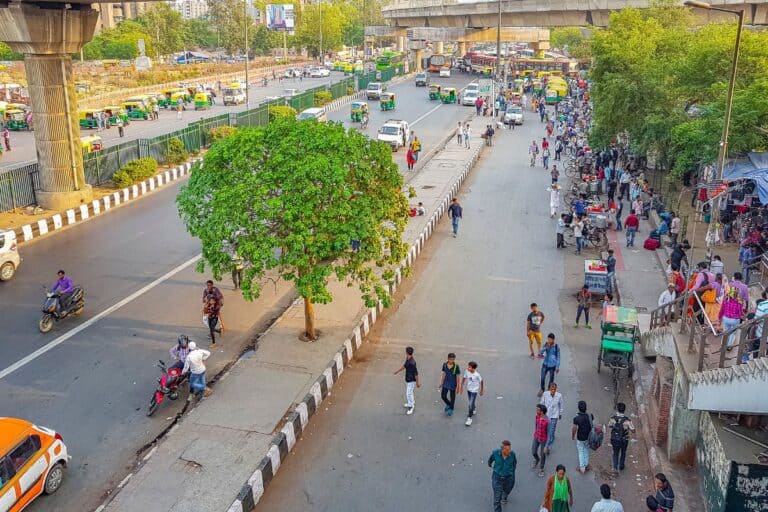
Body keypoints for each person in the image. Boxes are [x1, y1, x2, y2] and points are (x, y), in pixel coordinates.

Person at [488, 440, 517, 512]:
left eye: (510, 449)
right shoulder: (495, 453)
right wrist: (490, 464)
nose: (509, 451)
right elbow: (490, 460)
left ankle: (504, 495)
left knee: (508, 489)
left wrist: (512, 473)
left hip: (509, 477)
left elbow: (514, 464)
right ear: (502, 449)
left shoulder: (512, 454)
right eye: (507, 449)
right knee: (497, 499)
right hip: (497, 478)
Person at [608, 402, 635, 472]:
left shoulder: (613, 418)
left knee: (615, 453)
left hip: (615, 439)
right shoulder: (627, 420)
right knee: (623, 452)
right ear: (624, 410)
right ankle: (621, 466)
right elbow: (633, 430)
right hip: (624, 440)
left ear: (617, 409)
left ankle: (615, 467)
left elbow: (609, 425)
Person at [394, 346, 419, 415]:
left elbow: (416, 373)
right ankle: (410, 403)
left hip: (412, 380)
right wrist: (397, 371)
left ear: (406, 352)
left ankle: (411, 406)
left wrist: (417, 383)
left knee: (408, 393)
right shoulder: (408, 358)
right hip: (408, 379)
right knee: (409, 393)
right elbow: (405, 366)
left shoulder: (413, 363)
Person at [572, 400, 594, 474]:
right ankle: (587, 465)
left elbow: (574, 428)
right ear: (586, 408)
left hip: (580, 437)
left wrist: (573, 436)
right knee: (586, 450)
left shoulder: (576, 418)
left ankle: (582, 468)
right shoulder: (590, 416)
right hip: (588, 437)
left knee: (581, 451)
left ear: (578, 408)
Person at [540, 381, 563, 449]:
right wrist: (541, 413)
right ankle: (551, 437)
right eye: (552, 389)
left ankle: (548, 447)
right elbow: (542, 403)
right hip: (546, 415)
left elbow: (561, 405)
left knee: (551, 430)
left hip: (555, 415)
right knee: (547, 430)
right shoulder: (545, 394)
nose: (553, 390)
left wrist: (560, 413)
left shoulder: (559, 396)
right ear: (549, 389)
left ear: (556, 389)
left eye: (554, 389)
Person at [461, 361, 483, 426]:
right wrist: (461, 385)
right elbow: (464, 377)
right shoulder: (466, 372)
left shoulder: (477, 375)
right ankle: (474, 409)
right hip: (469, 389)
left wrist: (481, 390)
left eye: (470, 367)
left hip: (474, 391)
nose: (468, 368)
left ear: (473, 368)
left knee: (470, 403)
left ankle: (469, 418)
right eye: (468, 366)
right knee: (471, 401)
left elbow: (481, 381)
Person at [532, 404, 549, 477]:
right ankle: (537, 459)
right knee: (533, 451)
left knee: (543, 454)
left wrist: (547, 446)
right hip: (536, 437)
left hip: (543, 440)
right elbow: (536, 425)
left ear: (542, 412)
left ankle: (541, 468)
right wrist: (536, 432)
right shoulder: (537, 416)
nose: (536, 411)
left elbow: (549, 434)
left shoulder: (547, 421)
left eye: (538, 410)